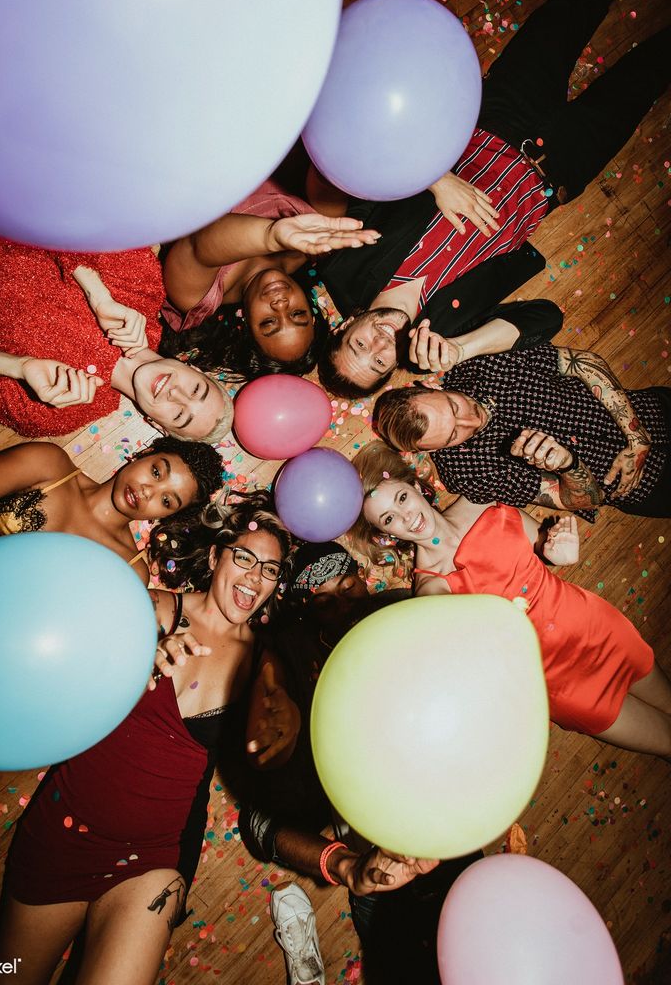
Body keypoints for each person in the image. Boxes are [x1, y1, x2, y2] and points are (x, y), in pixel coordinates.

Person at [314, 0, 671, 397]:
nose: (378, 344)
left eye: (357, 346)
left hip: (499, 118)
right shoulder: (443, 337)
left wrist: (437, 180)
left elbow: (362, 154)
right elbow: (545, 317)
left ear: (343, 327)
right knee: (647, 77)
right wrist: (463, 349)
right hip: (561, 168)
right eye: (378, 364)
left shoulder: (342, 264)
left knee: (572, 8)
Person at [0, 494, 300, 985]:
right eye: (245, 557)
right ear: (217, 556)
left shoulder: (263, 659)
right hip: (64, 836)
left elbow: (273, 717)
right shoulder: (150, 607)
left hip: (153, 861)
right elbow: (56, 672)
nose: (256, 577)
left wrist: (287, 723)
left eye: (271, 570)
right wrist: (139, 653)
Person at [239, 541, 479, 985]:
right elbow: (260, 826)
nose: (345, 602)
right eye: (327, 601)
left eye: (349, 585)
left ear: (365, 578)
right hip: (386, 875)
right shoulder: (303, 658)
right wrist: (350, 868)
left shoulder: (402, 614)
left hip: (449, 830)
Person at [350, 441, 671, 758]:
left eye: (402, 498)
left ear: (415, 487)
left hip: (598, 630)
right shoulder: (431, 590)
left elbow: (546, 548)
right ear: (385, 535)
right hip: (565, 686)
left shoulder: (479, 501)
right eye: (389, 519)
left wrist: (559, 550)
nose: (406, 517)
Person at [0, 217, 233, 441]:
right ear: (192, 366)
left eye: (180, 415)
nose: (176, 394)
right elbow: (64, 209)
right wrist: (97, 293)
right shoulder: (144, 289)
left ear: (158, 426)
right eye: (196, 389)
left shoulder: (58, 414)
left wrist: (19, 367)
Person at [372, 341, 671, 518]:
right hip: (649, 486)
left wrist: (636, 437)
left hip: (655, 412)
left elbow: (582, 363)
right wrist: (568, 466)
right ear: (434, 450)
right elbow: (584, 501)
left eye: (453, 406)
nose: (471, 421)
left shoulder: (480, 363)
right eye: (454, 435)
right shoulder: (467, 472)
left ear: (431, 385)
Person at [0, 437, 223, 597]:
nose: (148, 491)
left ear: (168, 516)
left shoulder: (129, 571)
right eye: (157, 472)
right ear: (145, 453)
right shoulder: (49, 466)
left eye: (166, 500)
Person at [158, 180, 380, 379]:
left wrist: (272, 236)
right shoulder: (317, 243)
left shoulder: (194, 298)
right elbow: (326, 175)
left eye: (269, 322)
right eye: (297, 313)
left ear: (244, 325)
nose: (281, 305)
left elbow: (198, 244)